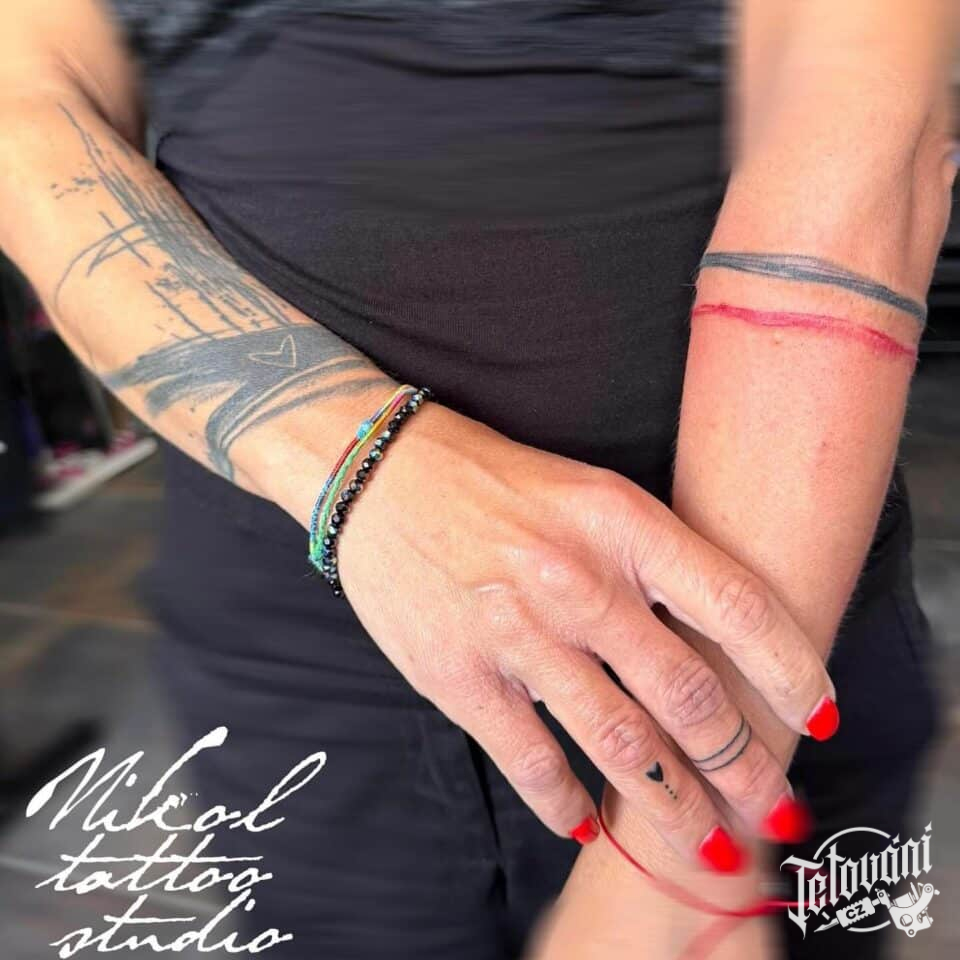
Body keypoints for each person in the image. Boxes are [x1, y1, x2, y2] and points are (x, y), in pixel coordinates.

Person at [0, 1, 952, 958]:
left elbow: (863, 131)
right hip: (293, 652)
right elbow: (30, 98)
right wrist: (354, 460)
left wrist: (684, 853)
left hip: (759, 599)